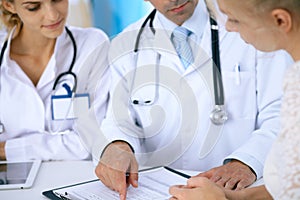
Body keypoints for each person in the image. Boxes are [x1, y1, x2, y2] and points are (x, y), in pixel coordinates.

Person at [94, 0, 292, 199]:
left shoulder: (249, 24)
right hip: (157, 192)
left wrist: (246, 162)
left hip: (239, 189)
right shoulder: (126, 45)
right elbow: (119, 119)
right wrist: (117, 145)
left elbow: (281, 114)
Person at [169, 0, 300, 199]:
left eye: (235, 20)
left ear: (280, 20)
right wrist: (234, 197)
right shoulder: (295, 76)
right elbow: (288, 189)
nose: (228, 27)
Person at [0, 0, 110, 161]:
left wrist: (8, 149)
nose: (52, 16)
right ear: (9, 6)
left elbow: (91, 141)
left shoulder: (92, 45)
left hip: (75, 179)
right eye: (33, 7)